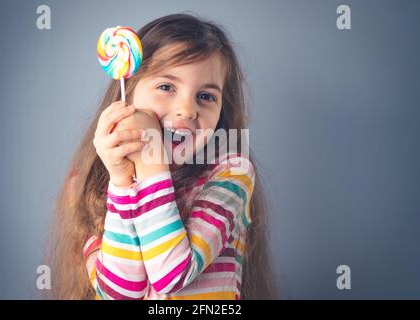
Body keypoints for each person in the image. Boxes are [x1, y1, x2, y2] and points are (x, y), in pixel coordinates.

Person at [47, 13, 277, 300]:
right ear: (127, 94)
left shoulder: (232, 172)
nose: (187, 109)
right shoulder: (87, 187)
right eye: (166, 87)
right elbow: (120, 294)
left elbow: (172, 274)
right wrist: (121, 182)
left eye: (205, 96)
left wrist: (150, 160)